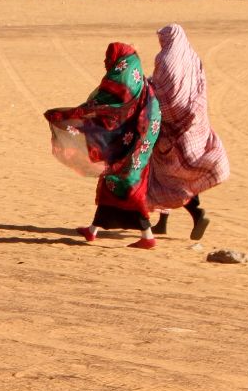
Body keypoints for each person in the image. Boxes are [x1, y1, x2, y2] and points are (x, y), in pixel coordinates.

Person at [44, 41, 162, 249]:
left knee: (127, 184)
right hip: (136, 136)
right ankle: (93, 230)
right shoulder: (135, 74)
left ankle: (147, 236)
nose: (105, 61)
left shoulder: (121, 78)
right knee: (111, 181)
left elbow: (105, 104)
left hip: (131, 140)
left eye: (109, 57)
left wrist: (74, 116)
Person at [144, 23, 229, 239]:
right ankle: (162, 222)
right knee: (182, 171)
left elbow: (166, 94)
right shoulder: (191, 57)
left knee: (169, 174)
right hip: (194, 123)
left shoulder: (164, 59)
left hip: (172, 128)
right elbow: (197, 86)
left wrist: (147, 86)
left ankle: (197, 213)